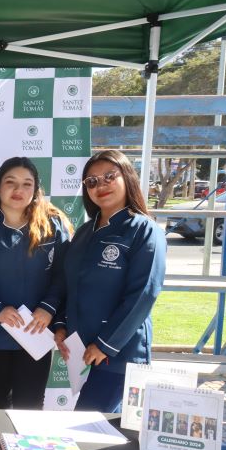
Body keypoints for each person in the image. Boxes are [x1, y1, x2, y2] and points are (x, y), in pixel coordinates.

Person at [55, 150, 166, 413]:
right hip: (82, 352)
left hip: (119, 353)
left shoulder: (144, 230)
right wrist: (61, 326)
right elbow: (70, 286)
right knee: (95, 435)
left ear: (127, 177)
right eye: (91, 182)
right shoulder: (83, 232)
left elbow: (144, 294)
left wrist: (106, 344)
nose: (100, 186)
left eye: (108, 177)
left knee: (90, 431)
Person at [0, 157, 72, 410]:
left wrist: (48, 308)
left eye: (26, 184)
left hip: (36, 329)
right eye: (11, 182)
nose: (18, 190)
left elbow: (64, 274)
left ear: (35, 190)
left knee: (30, 402)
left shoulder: (51, 225)